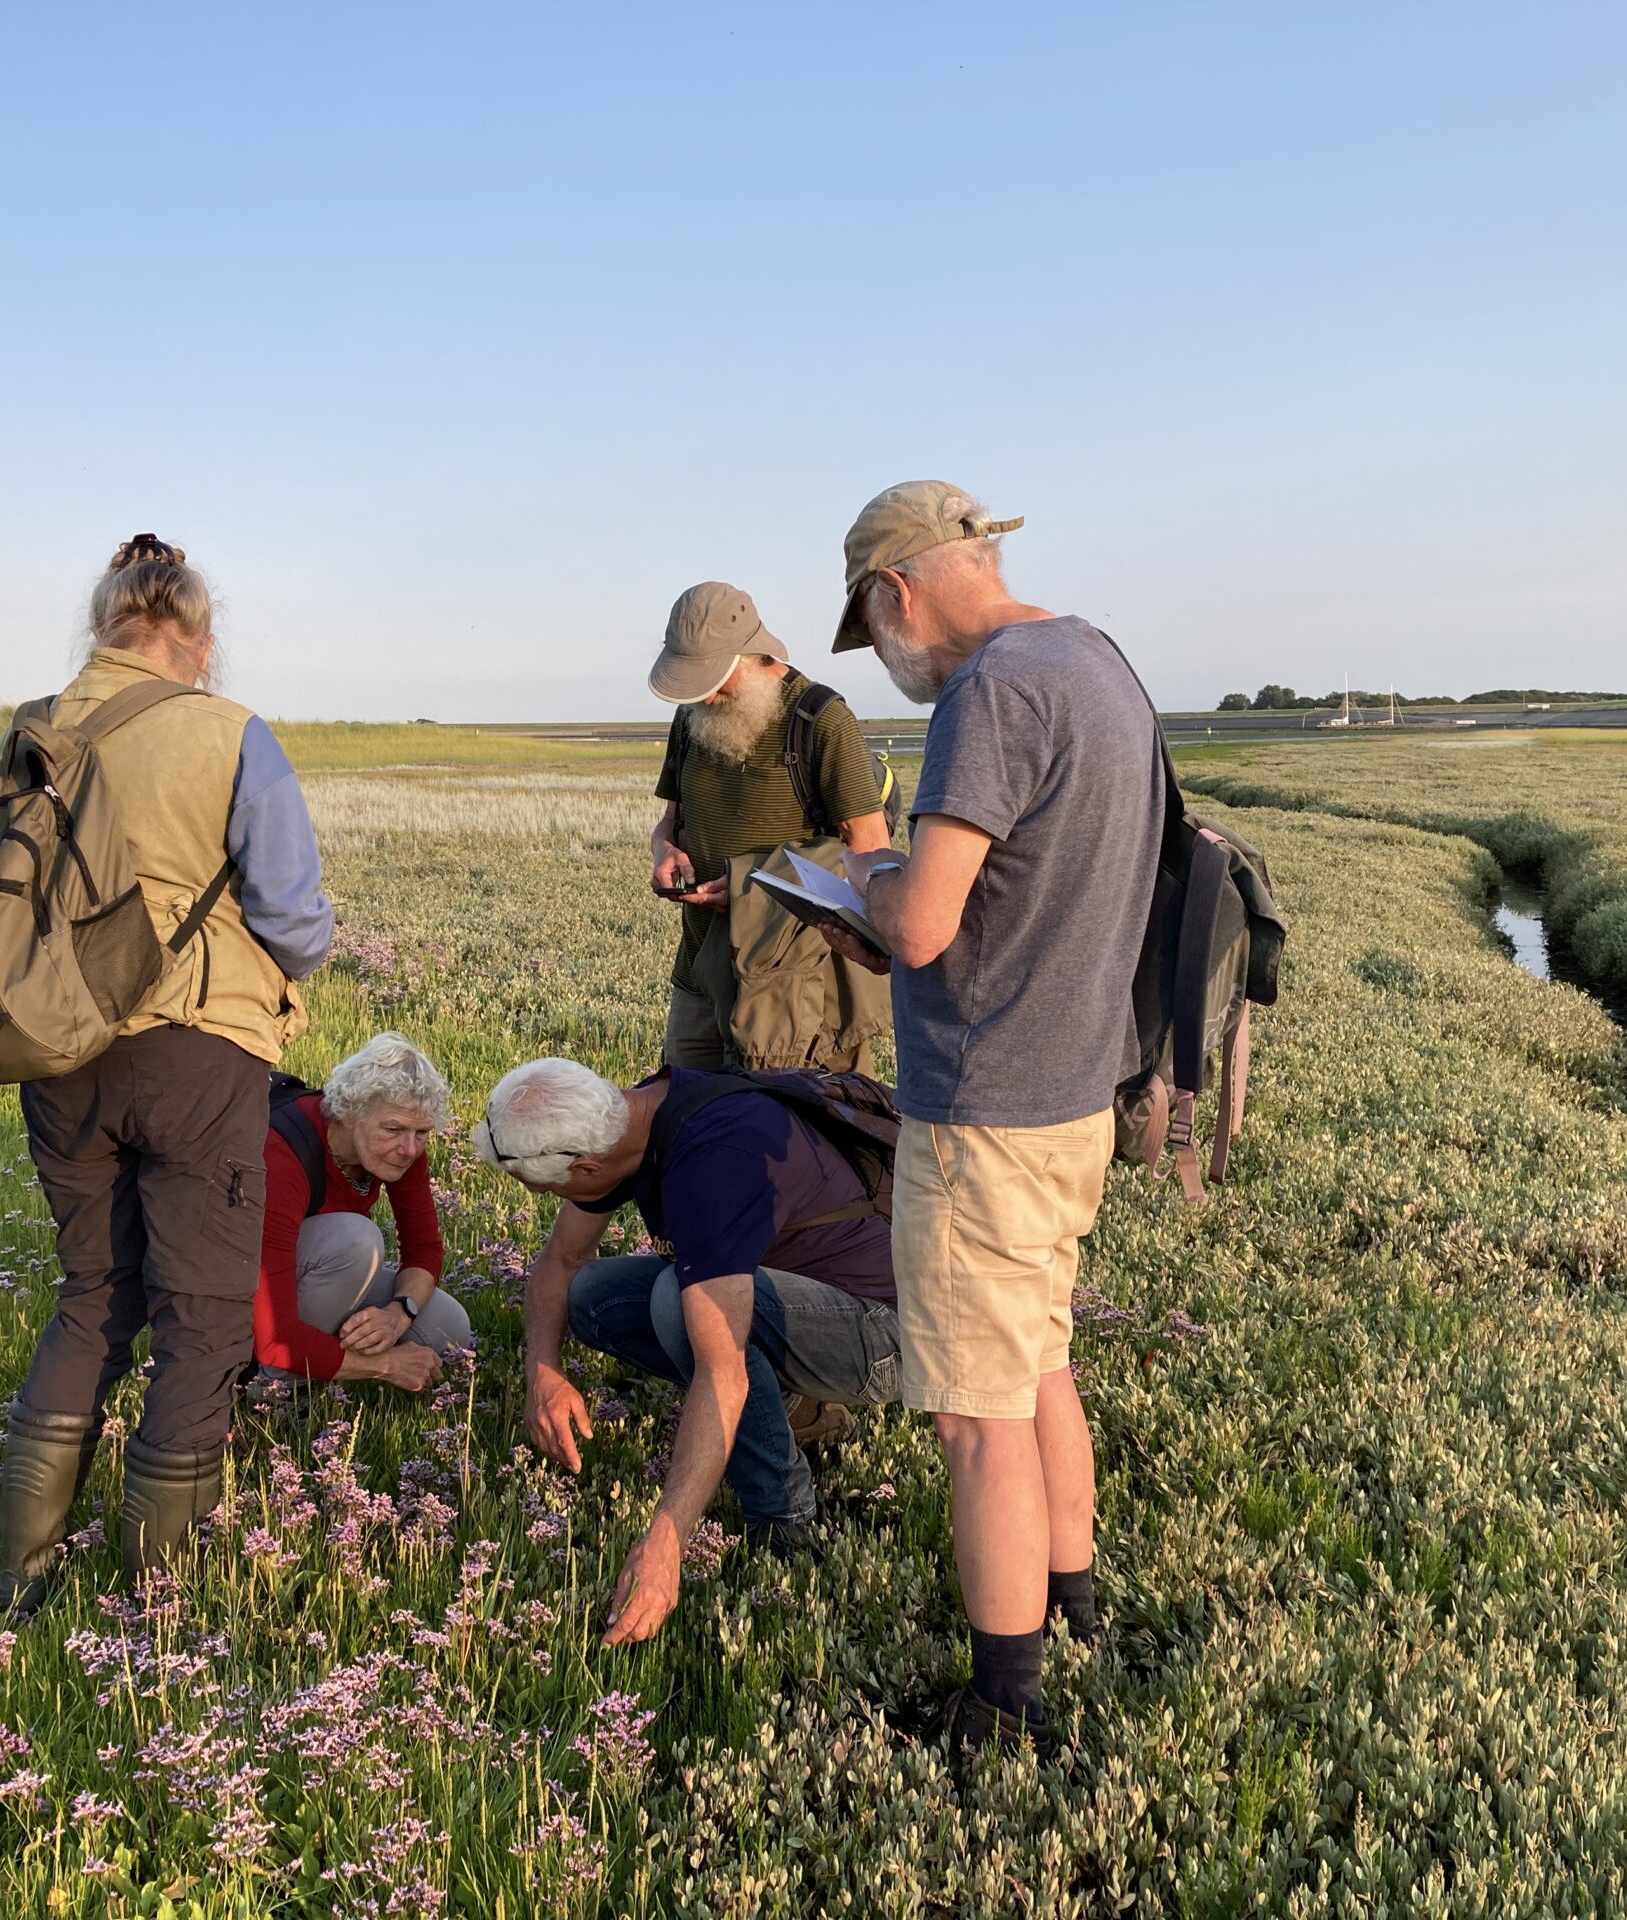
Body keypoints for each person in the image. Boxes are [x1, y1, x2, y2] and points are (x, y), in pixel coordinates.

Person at [824, 481, 1165, 1750]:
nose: (887, 661)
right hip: (1074, 1093)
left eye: (872, 630)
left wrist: (865, 877)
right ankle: (1071, 1605)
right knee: (1040, 1358)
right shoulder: (1097, 660)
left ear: (896, 590)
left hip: (986, 1110)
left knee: (976, 1413)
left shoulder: (991, 691)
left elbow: (922, 924)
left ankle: (1001, 1706)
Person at [0, 534, 333, 1616]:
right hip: (198, 1049)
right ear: (199, 639)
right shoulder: (230, 733)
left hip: (57, 1051)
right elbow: (295, 923)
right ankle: (159, 1600)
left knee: (94, 1294)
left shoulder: (30, 729)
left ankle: (20, 1579)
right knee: (204, 1313)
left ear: (103, 628)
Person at [476, 1057, 901, 1645]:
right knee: (592, 1296)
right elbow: (562, 1260)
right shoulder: (629, 1116)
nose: (555, 1199)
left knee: (679, 1307)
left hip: (886, 1333)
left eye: (550, 1188)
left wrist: (665, 1542)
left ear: (585, 1167)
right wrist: (543, 1369)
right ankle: (787, 1409)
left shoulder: (710, 1163)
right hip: (802, 1299)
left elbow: (721, 1371)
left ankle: (784, 1515)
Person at [647, 581, 893, 1071]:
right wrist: (663, 851)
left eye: (715, 681)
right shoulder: (689, 717)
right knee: (684, 1109)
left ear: (752, 654)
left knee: (794, 1116)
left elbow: (872, 859)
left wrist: (748, 887)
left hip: (793, 988)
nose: (705, 696)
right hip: (699, 972)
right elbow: (670, 821)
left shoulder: (823, 722)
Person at [253, 1031, 474, 1390]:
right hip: (244, 1296)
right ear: (349, 1113)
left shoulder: (400, 1151)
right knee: (356, 1240)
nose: (409, 1148)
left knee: (448, 1327)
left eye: (421, 1132)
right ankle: (275, 1387)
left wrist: (399, 1313)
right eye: (393, 1128)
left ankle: (322, 1358)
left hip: (313, 1275)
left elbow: (424, 1249)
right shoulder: (282, 1154)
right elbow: (274, 1337)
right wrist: (384, 1365)